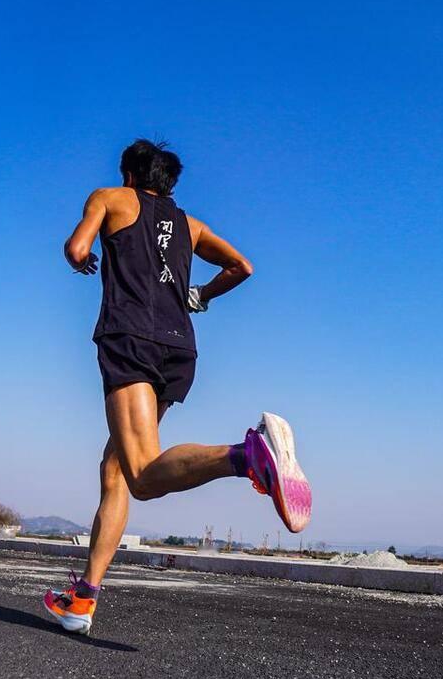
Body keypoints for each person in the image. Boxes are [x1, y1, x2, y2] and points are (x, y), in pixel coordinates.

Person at [43, 139, 312, 635]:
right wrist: (201, 295)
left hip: (130, 341)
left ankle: (246, 456)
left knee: (141, 475)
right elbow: (242, 267)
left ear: (129, 173)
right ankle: (82, 599)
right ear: (170, 182)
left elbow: (77, 248)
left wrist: (81, 260)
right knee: (116, 468)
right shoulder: (191, 226)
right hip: (178, 350)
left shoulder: (109, 197)